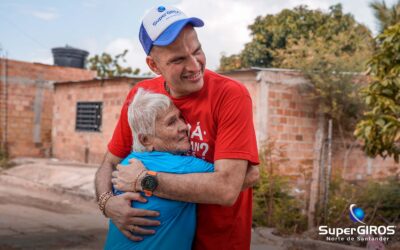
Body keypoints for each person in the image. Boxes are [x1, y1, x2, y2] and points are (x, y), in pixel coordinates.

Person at [95, 5, 260, 250]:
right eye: (179, 59)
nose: (195, 66)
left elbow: (228, 188)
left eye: (197, 51)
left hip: (220, 242)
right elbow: (109, 164)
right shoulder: (142, 98)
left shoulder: (230, 95)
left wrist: (145, 180)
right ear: (154, 65)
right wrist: (107, 204)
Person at [105, 88, 214, 250]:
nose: (184, 126)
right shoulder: (182, 166)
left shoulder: (128, 162)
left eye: (180, 118)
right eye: (171, 122)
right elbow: (234, 178)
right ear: (146, 139)